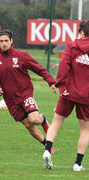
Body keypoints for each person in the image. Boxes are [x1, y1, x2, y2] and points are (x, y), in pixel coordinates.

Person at [0, 30, 57, 152]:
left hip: (25, 94)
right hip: (11, 100)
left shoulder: (21, 55)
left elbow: (39, 69)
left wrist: (51, 81)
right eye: (1, 41)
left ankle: (43, 119)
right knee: (28, 124)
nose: (4, 43)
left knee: (34, 120)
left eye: (6, 41)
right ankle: (47, 144)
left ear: (11, 41)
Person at [43, 20, 89, 171]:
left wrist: (61, 85)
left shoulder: (72, 45)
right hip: (86, 96)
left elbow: (63, 67)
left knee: (56, 122)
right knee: (85, 130)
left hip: (68, 92)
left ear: (81, 32)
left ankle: (47, 150)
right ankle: (77, 164)